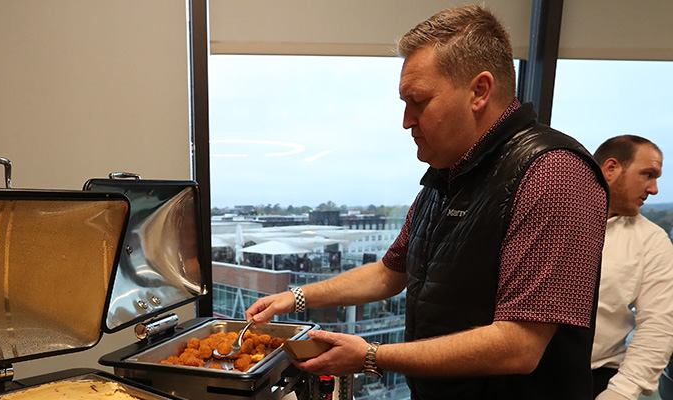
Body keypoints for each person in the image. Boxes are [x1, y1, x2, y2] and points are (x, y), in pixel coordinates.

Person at [245, 5, 609, 400]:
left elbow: (519, 346)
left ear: (479, 92)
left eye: (418, 101)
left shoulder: (554, 174)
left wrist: (372, 355)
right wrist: (294, 298)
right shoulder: (445, 178)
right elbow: (389, 273)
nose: (406, 120)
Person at [591, 136, 673, 400]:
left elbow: (658, 324)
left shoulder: (652, 241)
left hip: (597, 378)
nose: (655, 189)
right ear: (611, 169)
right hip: (511, 373)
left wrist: (621, 393)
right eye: (647, 175)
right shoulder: (548, 217)